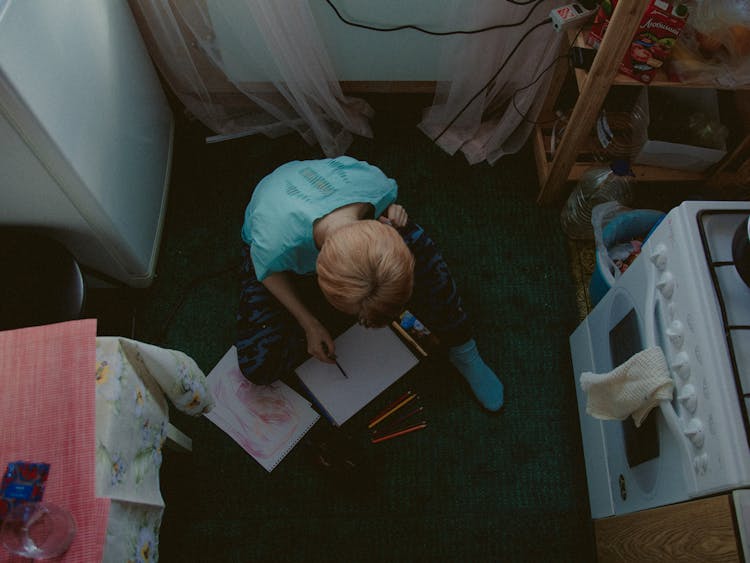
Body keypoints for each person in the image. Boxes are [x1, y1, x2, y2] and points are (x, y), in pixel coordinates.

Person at [236, 156, 504, 412]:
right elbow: (268, 273)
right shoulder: (274, 245)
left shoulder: (378, 186)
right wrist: (310, 323)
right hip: (269, 234)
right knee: (257, 366)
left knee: (413, 236)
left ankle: (462, 345)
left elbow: (390, 212)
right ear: (318, 278)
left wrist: (390, 212)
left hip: (333, 205)